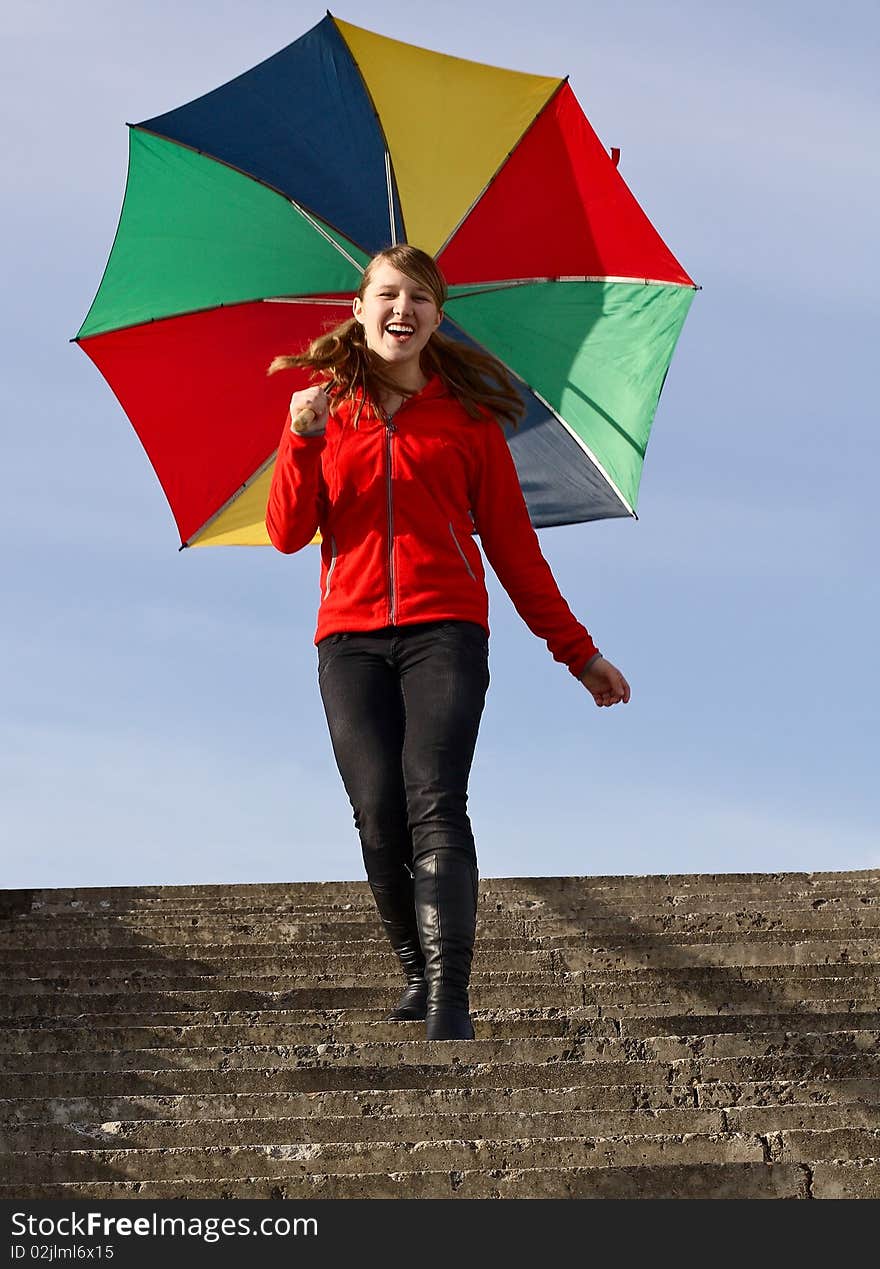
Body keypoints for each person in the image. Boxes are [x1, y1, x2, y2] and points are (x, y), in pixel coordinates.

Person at [265, 245, 630, 1041]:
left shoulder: (469, 424)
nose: (403, 309)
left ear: (437, 316)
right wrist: (299, 440)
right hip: (350, 642)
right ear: (359, 310)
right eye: (388, 294)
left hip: (446, 633)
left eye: (420, 298)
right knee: (376, 815)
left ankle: (450, 999)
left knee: (435, 799)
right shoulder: (325, 415)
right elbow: (287, 534)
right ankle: (413, 965)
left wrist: (579, 652)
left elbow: (516, 552)